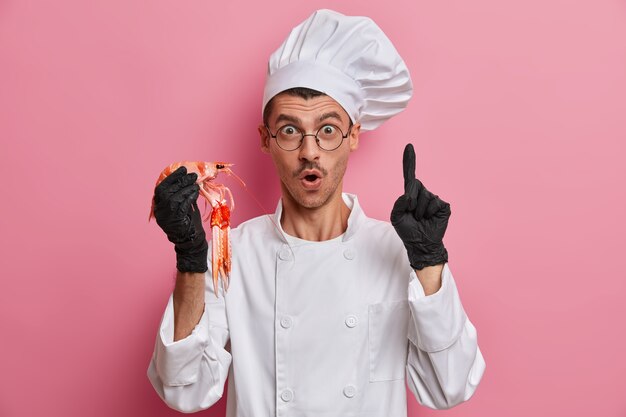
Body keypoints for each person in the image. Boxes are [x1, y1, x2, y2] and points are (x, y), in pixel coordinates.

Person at [147, 9, 486, 416]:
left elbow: (450, 387)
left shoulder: (401, 251)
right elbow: (182, 390)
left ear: (353, 135)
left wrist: (430, 262)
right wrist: (190, 259)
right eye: (290, 130)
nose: (310, 151)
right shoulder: (230, 255)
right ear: (265, 139)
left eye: (327, 129)